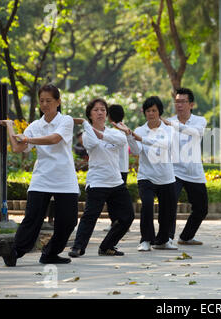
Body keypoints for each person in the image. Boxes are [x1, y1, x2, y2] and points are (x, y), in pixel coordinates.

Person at [0, 84, 79, 266]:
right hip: (41, 179)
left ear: (58, 102)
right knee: (32, 219)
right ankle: (14, 253)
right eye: (41, 101)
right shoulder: (35, 125)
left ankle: (50, 253)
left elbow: (54, 139)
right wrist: (11, 128)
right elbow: (18, 147)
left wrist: (27, 139)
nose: (44, 104)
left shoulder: (66, 120)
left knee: (68, 221)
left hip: (64, 179)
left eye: (49, 101)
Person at [68, 98, 135, 257]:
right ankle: (77, 247)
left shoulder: (114, 132)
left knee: (127, 217)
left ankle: (107, 246)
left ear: (107, 114)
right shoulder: (86, 135)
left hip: (116, 182)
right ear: (90, 114)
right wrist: (90, 129)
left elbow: (121, 140)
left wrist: (100, 133)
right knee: (89, 217)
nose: (100, 113)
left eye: (103, 110)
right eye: (96, 110)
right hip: (97, 182)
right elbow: (93, 145)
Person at [116, 96, 178, 252]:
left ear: (159, 112)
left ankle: (164, 240)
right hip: (146, 177)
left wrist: (141, 138)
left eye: (154, 110)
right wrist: (130, 136)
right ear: (144, 112)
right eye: (148, 110)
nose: (151, 113)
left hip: (166, 177)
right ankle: (146, 240)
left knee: (167, 211)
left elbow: (165, 145)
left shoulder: (168, 129)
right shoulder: (139, 130)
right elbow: (136, 151)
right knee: (147, 206)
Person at [163, 87, 208, 245]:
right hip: (174, 171)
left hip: (194, 171)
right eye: (177, 101)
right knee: (169, 204)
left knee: (202, 208)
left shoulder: (200, 121)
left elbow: (195, 133)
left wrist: (174, 126)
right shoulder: (168, 122)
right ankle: (166, 238)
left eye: (183, 101)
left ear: (191, 104)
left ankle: (186, 237)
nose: (179, 105)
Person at [102, 104, 130, 232]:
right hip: (123, 168)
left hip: (115, 168)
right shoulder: (125, 129)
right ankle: (119, 221)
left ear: (109, 116)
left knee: (112, 199)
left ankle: (116, 221)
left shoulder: (113, 130)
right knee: (119, 198)